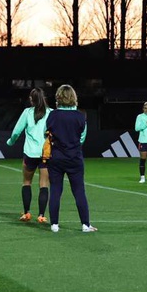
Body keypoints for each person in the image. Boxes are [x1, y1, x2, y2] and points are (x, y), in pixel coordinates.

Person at [45, 84, 95, 233]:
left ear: (58, 97)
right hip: (74, 158)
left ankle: (54, 225)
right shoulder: (80, 116)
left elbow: (45, 133)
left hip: (56, 158)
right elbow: (82, 138)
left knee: (55, 190)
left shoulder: (53, 115)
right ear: (74, 97)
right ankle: (85, 225)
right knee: (79, 191)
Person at [7, 88, 52, 223]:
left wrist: (11, 142)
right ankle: (41, 215)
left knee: (27, 182)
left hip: (30, 154)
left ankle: (26, 213)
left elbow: (16, 132)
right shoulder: (51, 113)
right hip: (45, 154)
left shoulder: (27, 112)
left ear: (31, 100)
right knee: (44, 184)